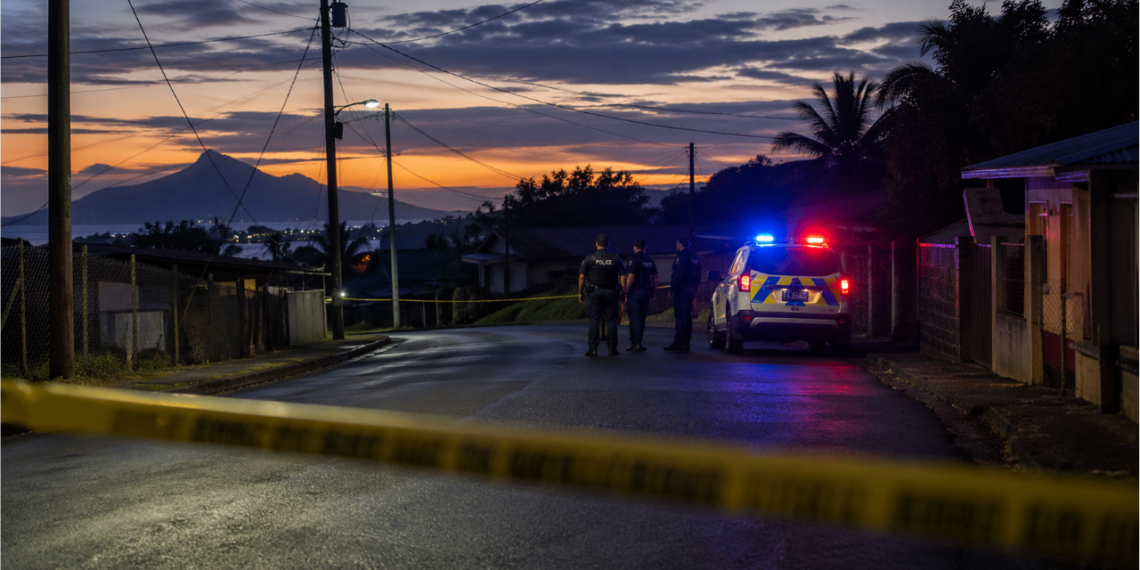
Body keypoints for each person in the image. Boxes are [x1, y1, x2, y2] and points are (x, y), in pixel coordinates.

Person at [578, 234, 626, 356]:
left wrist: (581, 292)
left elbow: (582, 277)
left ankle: (593, 348)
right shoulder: (616, 258)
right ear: (608, 244)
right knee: (611, 320)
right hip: (611, 292)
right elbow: (623, 276)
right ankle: (612, 348)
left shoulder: (589, 258)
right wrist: (623, 293)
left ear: (596, 244)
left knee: (594, 320)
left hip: (595, 292)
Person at [664, 235, 701, 352]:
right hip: (690, 289)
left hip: (682, 289)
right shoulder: (695, 256)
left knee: (680, 316)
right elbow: (699, 274)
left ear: (679, 244)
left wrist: (672, 288)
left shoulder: (681, 256)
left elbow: (678, 274)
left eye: (677, 243)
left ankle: (679, 342)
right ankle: (686, 342)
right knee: (687, 316)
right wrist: (695, 286)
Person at [623, 238, 657, 352]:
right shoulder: (649, 260)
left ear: (634, 247)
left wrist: (625, 291)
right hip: (646, 292)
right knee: (642, 318)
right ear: (645, 248)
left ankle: (635, 343)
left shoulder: (634, 259)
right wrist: (653, 291)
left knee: (634, 317)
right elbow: (655, 277)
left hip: (635, 292)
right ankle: (638, 343)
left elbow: (631, 277)